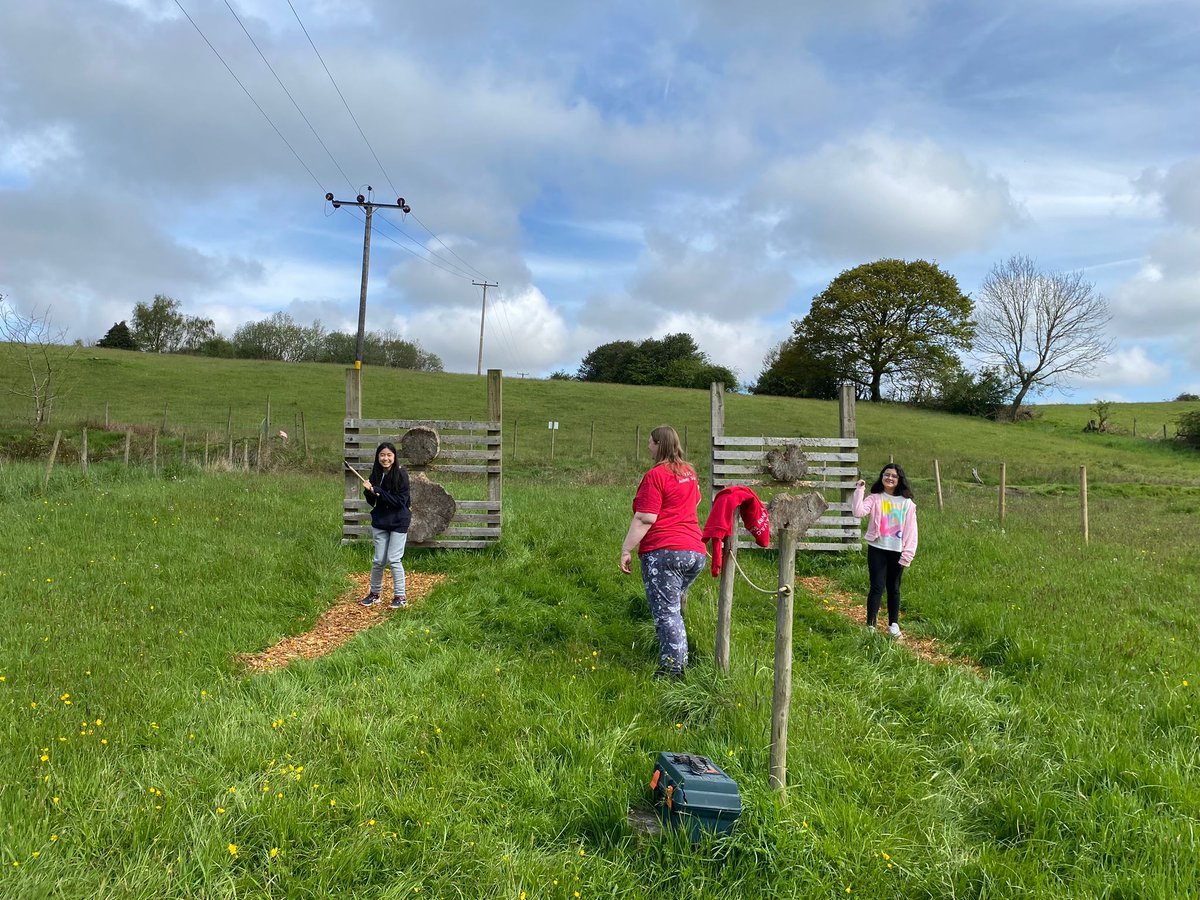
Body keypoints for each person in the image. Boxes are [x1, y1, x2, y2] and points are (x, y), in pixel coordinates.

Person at [620, 425, 707, 678]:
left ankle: (673, 670)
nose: (648, 446)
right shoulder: (689, 472)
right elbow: (697, 500)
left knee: (667, 612)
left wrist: (626, 549)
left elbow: (645, 518)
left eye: (650, 442)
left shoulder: (655, 476)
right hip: (695, 552)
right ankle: (681, 660)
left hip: (665, 552)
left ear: (659, 444)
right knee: (673, 608)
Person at [852, 463, 918, 637]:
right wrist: (859, 490)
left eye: (893, 476)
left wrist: (907, 555)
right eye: (886, 475)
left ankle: (893, 624)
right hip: (877, 548)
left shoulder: (907, 504)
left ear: (899, 480)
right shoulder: (875, 498)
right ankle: (871, 625)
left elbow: (912, 532)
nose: (889, 478)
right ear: (882, 477)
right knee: (877, 586)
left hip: (897, 551)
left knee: (894, 588)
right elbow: (858, 512)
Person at [360, 441, 412, 610]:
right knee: (378, 560)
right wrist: (369, 492)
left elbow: (400, 502)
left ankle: (400, 597)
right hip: (381, 521)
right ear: (378, 456)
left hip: (399, 520)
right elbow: (373, 502)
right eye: (382, 455)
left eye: (389, 455)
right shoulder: (375, 473)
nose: (385, 458)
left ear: (394, 457)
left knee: (394, 559)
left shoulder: (401, 474)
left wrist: (380, 492)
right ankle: (374, 594)